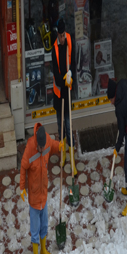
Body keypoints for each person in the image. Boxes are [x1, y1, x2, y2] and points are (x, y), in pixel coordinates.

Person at [20, 123, 65, 254]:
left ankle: (43, 251)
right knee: (35, 229)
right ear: (36, 143)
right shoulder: (30, 148)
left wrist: (59, 146)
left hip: (43, 194)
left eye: (43, 147)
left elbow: (53, 144)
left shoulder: (46, 140)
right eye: (40, 147)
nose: (41, 149)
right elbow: (23, 167)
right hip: (34, 196)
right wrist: (22, 187)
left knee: (44, 225)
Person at [108, 78, 127, 216]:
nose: (110, 102)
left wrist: (117, 147)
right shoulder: (122, 84)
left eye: (110, 99)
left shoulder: (119, 108)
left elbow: (121, 131)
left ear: (114, 96)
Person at [51, 19, 76, 175]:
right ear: (57, 35)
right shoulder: (54, 49)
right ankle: (63, 155)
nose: (62, 38)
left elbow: (73, 62)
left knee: (69, 125)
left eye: (63, 35)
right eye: (60, 36)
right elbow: (55, 72)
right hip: (59, 93)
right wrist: (64, 81)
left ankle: (72, 159)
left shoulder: (69, 41)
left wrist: (71, 74)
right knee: (61, 126)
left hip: (67, 93)